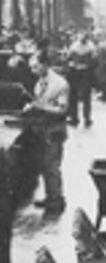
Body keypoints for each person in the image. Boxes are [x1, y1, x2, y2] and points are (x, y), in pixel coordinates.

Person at [23, 53, 69, 217]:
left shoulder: (59, 84)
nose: (33, 70)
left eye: (35, 67)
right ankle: (51, 196)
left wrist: (40, 107)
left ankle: (56, 202)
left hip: (55, 130)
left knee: (52, 166)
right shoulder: (40, 82)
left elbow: (62, 109)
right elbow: (42, 101)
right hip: (44, 128)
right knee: (45, 165)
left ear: (45, 64)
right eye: (31, 68)